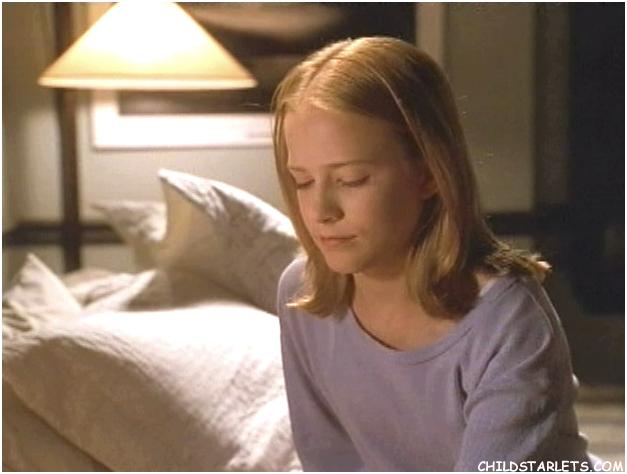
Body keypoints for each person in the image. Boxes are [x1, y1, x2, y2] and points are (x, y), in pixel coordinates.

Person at [271, 36, 596, 471]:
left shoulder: (505, 317)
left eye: (351, 179)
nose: (321, 210)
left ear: (427, 174)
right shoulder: (302, 294)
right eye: (303, 181)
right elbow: (329, 459)